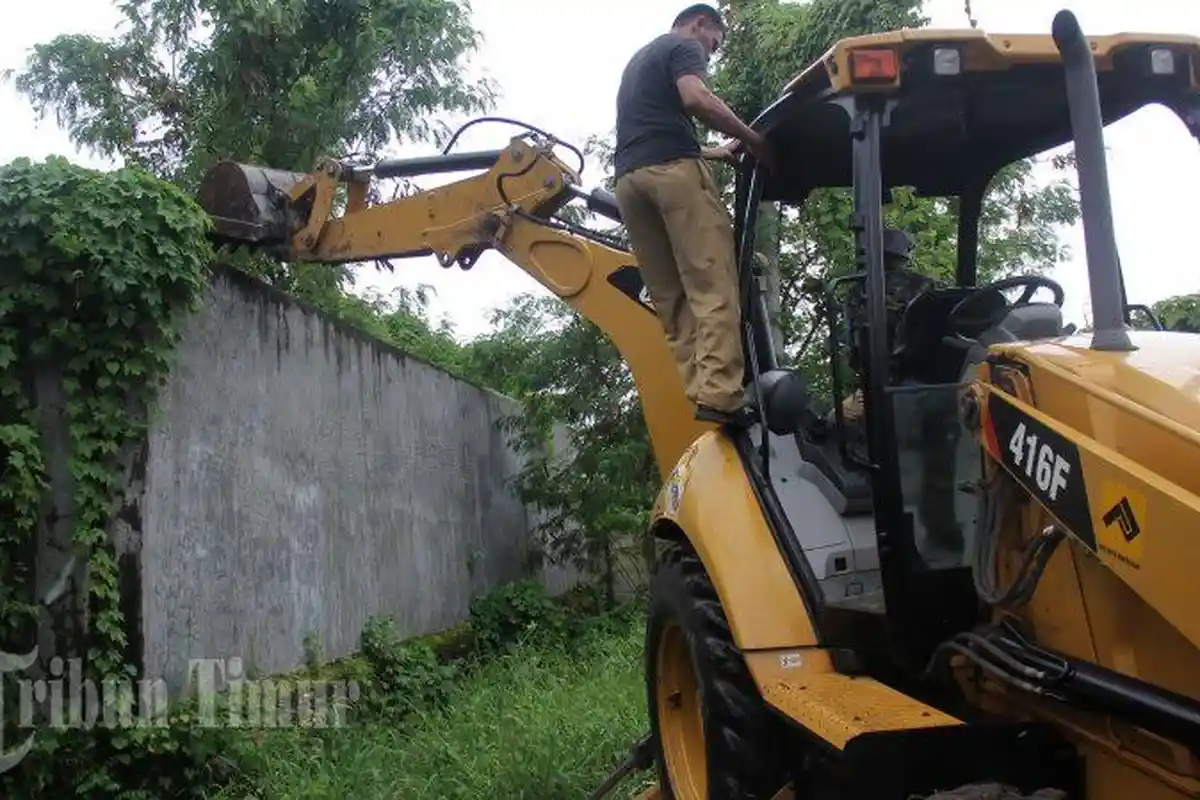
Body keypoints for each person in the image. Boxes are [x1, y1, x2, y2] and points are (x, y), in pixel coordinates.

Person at [612, 3, 776, 428]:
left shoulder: (639, 61)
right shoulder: (684, 47)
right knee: (713, 283)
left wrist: (714, 152)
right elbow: (696, 98)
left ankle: (703, 393)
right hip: (674, 178)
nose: (711, 54)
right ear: (700, 24)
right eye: (714, 44)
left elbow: (654, 136)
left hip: (630, 183)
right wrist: (753, 140)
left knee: (672, 299)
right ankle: (722, 394)